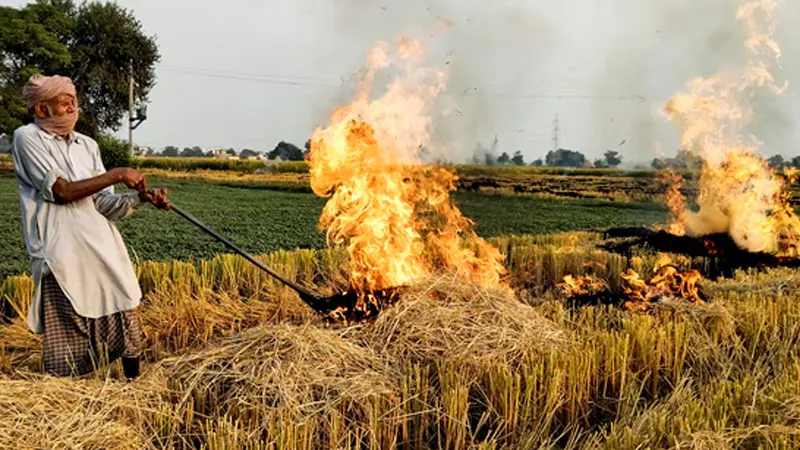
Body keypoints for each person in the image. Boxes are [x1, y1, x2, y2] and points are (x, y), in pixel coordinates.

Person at [10, 73, 169, 380]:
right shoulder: (26, 138)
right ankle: (66, 395)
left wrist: (142, 198)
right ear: (42, 110)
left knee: (125, 309)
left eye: (73, 102)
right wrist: (117, 173)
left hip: (101, 245)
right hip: (61, 251)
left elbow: (103, 204)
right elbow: (62, 191)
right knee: (67, 332)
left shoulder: (87, 145)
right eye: (63, 103)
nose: (71, 109)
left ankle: (134, 388)